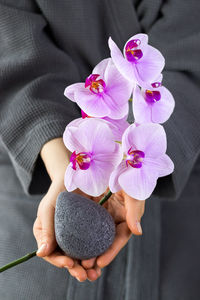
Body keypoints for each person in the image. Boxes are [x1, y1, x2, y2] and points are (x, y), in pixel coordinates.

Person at [0, 0, 200, 299]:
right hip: (36, 175)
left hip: (179, 213)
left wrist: (130, 171)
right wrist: (62, 168)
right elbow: (11, 43)